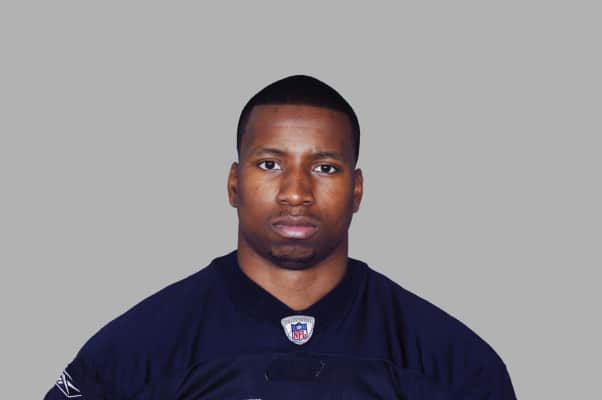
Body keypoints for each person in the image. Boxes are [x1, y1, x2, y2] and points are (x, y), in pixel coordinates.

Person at [44, 75, 517, 399]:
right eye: (270, 164)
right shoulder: (138, 352)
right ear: (234, 184)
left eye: (324, 168)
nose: (295, 192)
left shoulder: (452, 364)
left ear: (356, 190)